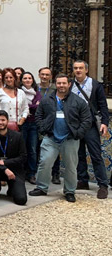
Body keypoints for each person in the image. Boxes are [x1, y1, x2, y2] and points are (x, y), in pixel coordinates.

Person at [30, 74, 91, 202]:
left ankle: (69, 191)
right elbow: (39, 115)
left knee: (70, 167)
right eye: (59, 83)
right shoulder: (47, 100)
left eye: (64, 83)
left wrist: (78, 133)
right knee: (44, 162)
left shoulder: (78, 101)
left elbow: (86, 119)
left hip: (70, 139)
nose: (61, 86)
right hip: (51, 138)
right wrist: (43, 129)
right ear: (55, 84)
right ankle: (41, 187)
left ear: (69, 84)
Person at [70, 60, 110, 198]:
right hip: (75, 125)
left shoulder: (95, 85)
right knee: (79, 154)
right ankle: (83, 180)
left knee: (95, 155)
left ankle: (103, 185)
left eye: (81, 68)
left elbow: (102, 105)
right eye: (75, 68)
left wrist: (105, 122)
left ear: (86, 70)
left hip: (91, 125)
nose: (78, 70)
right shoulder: (70, 85)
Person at [0, 110, 28, 205]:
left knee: (21, 200)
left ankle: (12, 187)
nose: (0, 122)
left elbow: (23, 157)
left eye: (3, 120)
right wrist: (5, 168)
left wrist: (5, 163)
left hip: (14, 170)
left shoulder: (18, 136)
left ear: (7, 121)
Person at [20, 71, 42, 184]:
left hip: (33, 124)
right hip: (22, 123)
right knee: (22, 149)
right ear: (21, 80)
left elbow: (38, 106)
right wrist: (33, 106)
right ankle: (22, 172)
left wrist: (28, 107)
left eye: (29, 78)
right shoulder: (19, 92)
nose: (27, 80)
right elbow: (21, 106)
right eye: (25, 78)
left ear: (32, 80)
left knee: (33, 149)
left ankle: (32, 173)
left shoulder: (37, 93)